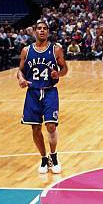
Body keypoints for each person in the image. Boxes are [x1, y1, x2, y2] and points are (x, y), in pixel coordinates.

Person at [17, 19, 68, 174]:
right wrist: (20, 78)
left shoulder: (56, 49)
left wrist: (58, 73)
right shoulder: (26, 50)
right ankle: (44, 158)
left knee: (51, 126)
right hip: (32, 93)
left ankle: (54, 155)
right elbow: (20, 70)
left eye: (45, 28)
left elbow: (65, 68)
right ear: (34, 31)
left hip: (49, 91)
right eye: (39, 28)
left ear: (48, 32)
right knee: (35, 127)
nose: (42, 31)